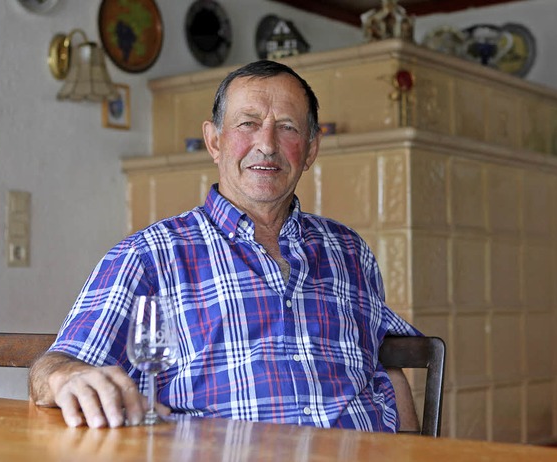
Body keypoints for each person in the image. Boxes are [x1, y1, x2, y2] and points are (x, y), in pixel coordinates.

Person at [29, 60, 422, 432]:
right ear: (214, 141)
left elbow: (385, 368)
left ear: (310, 150)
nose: (266, 144)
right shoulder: (149, 256)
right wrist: (66, 376)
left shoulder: (350, 251)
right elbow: (55, 369)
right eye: (248, 123)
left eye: (287, 127)